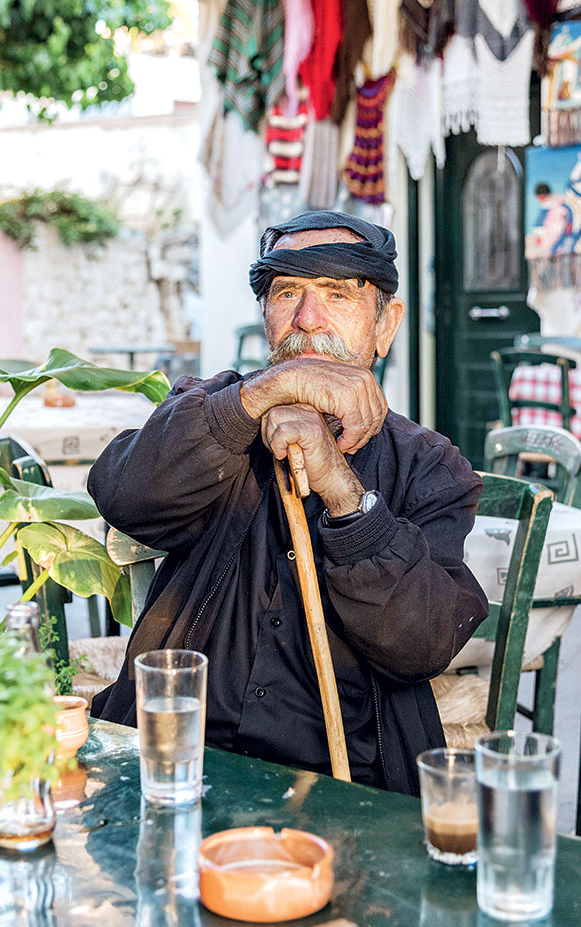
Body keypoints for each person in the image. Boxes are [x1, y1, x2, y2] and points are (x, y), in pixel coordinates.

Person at [88, 211, 488, 796]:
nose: (307, 318)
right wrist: (264, 395)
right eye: (286, 293)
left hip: (350, 786)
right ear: (266, 318)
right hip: (178, 762)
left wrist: (344, 493)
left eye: (335, 293)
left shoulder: (429, 466)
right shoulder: (218, 409)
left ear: (385, 326)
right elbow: (124, 495)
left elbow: (421, 642)